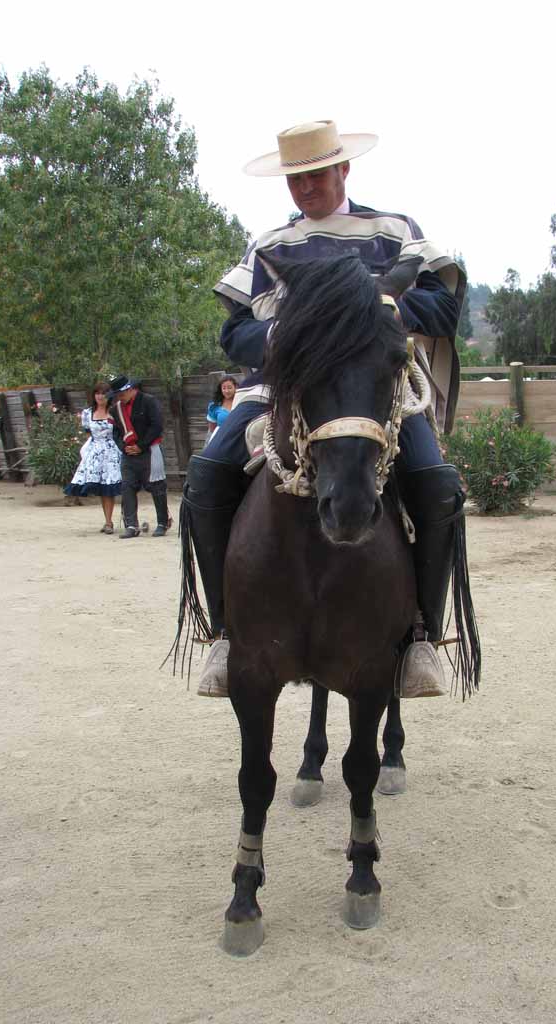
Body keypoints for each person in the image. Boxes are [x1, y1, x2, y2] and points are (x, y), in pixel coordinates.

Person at [185, 120, 468, 698]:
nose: (305, 187)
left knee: (436, 484)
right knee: (206, 478)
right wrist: (285, 341)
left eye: (315, 173)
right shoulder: (270, 246)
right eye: (295, 178)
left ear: (343, 169)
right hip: (282, 385)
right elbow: (234, 330)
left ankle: (422, 639)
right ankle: (223, 632)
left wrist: (383, 313)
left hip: (376, 386)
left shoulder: (394, 231)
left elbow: (443, 309)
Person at [108, 375, 172, 539]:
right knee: (127, 487)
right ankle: (131, 525)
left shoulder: (148, 401)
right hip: (128, 454)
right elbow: (115, 433)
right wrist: (124, 448)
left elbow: (156, 426)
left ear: (130, 390)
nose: (120, 398)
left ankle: (162, 523)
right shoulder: (116, 409)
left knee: (157, 487)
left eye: (121, 394)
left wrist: (140, 446)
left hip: (149, 450)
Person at [63, 381, 122, 533]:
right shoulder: (87, 413)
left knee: (113, 486)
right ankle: (108, 522)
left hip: (113, 451)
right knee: (102, 488)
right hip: (95, 452)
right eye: (97, 393)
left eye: (103, 393)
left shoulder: (115, 411)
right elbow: (89, 434)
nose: (100, 396)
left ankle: (125, 520)